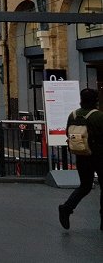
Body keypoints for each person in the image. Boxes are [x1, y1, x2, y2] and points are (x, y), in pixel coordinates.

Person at [58, 88, 103, 231]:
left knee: (85, 186)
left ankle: (66, 208)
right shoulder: (98, 116)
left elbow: (68, 132)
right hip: (99, 156)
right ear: (96, 100)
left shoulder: (73, 115)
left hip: (81, 156)